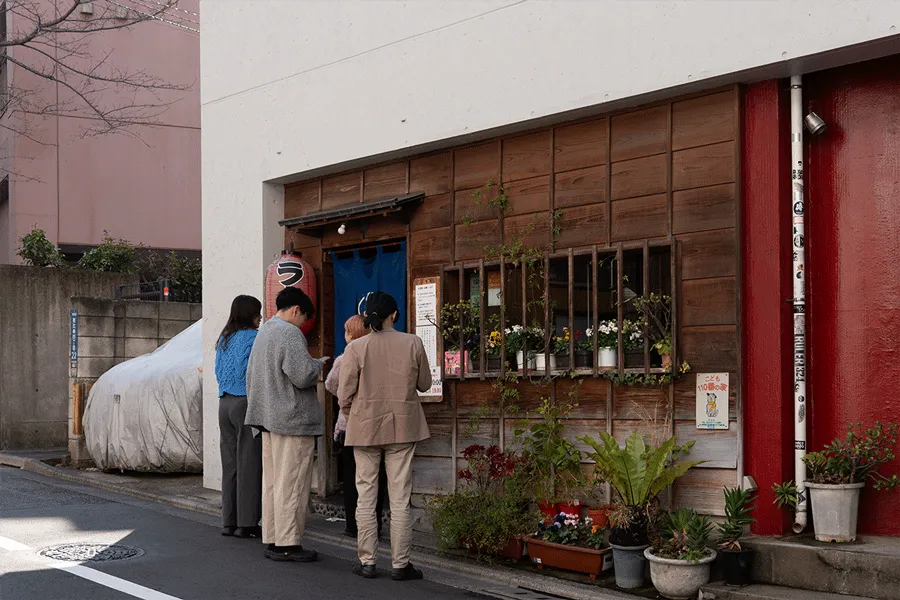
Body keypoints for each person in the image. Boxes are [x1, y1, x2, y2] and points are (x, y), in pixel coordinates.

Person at [338, 291, 432, 581]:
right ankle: (401, 564)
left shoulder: (356, 348)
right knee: (400, 496)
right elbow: (425, 384)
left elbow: (344, 395)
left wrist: (354, 413)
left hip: (365, 427)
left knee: (366, 495)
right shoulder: (413, 342)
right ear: (394, 315)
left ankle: (367, 561)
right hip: (402, 426)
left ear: (367, 317)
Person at [246, 287, 328, 563]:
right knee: (292, 484)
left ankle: (273, 538)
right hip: (291, 420)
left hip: (268, 418)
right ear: (296, 310)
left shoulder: (265, 332)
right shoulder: (289, 333)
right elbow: (302, 376)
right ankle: (288, 543)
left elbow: (252, 375)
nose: (303, 324)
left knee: (273, 484)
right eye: (304, 318)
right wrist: (317, 365)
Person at [325, 314, 388, 539]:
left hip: (349, 425)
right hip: (376, 423)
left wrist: (347, 399)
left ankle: (353, 525)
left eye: (347, 331)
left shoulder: (345, 358)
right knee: (376, 477)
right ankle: (375, 525)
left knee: (353, 478)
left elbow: (331, 384)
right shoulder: (380, 356)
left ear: (352, 334)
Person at [215, 295, 263, 539]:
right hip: (244, 402)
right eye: (257, 312)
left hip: (224, 403)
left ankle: (228, 521)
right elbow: (256, 373)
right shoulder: (254, 338)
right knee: (249, 462)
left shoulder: (224, 338)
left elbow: (217, 371)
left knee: (230, 463)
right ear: (249, 314)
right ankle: (247, 523)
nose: (260, 317)